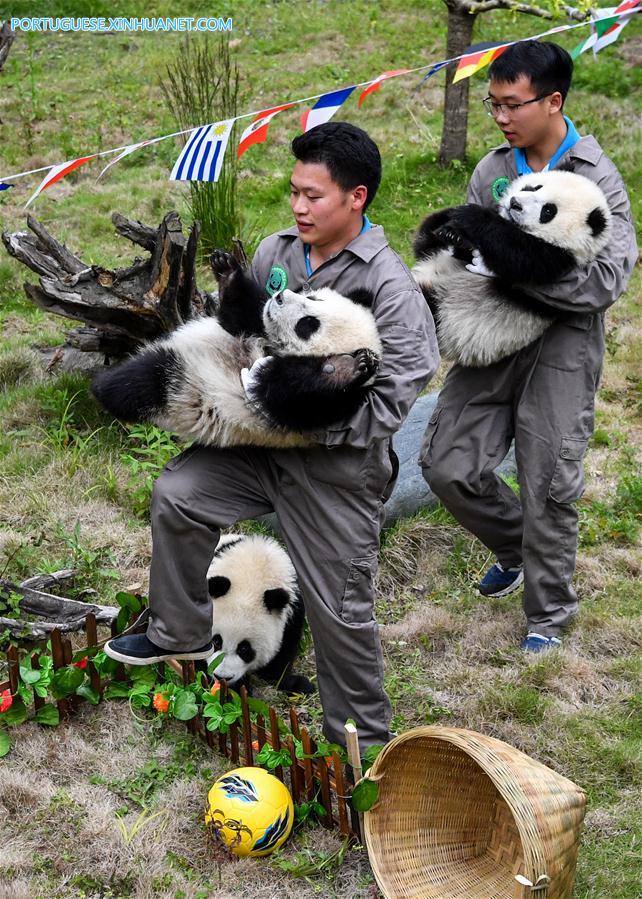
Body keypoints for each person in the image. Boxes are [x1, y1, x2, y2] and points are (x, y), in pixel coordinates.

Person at [105, 122, 440, 747]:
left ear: (356, 198)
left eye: (313, 196)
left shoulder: (390, 288)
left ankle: (362, 746)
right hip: (256, 449)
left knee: (340, 611)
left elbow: (390, 403)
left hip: (334, 468)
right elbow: (242, 338)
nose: (298, 206)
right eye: (294, 192)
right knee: (179, 493)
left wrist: (296, 421)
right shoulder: (277, 252)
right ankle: (178, 633)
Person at [420, 41, 637, 653]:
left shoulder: (595, 177)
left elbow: (604, 282)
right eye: (493, 105)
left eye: (512, 105)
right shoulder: (493, 170)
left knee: (548, 480)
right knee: (446, 464)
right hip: (491, 333)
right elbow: (468, 247)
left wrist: (519, 269)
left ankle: (548, 614)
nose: (501, 117)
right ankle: (518, 547)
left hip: (563, 344)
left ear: (553, 101)